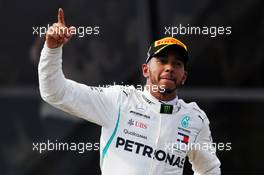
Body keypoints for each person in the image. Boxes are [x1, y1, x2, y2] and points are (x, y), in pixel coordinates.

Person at [39, 8, 221, 175]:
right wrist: (52, 50)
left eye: (177, 64)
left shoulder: (195, 118)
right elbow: (55, 92)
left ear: (184, 76)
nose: (169, 68)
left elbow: (209, 170)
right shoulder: (119, 100)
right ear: (145, 70)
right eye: (162, 60)